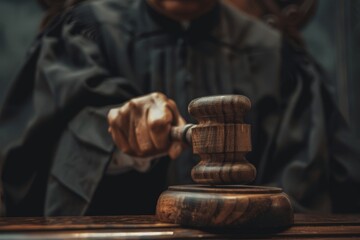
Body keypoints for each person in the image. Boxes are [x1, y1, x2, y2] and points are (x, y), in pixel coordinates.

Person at [0, 0, 359, 217]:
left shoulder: (274, 56)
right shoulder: (85, 32)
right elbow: (38, 153)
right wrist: (122, 143)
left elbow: (306, 184)